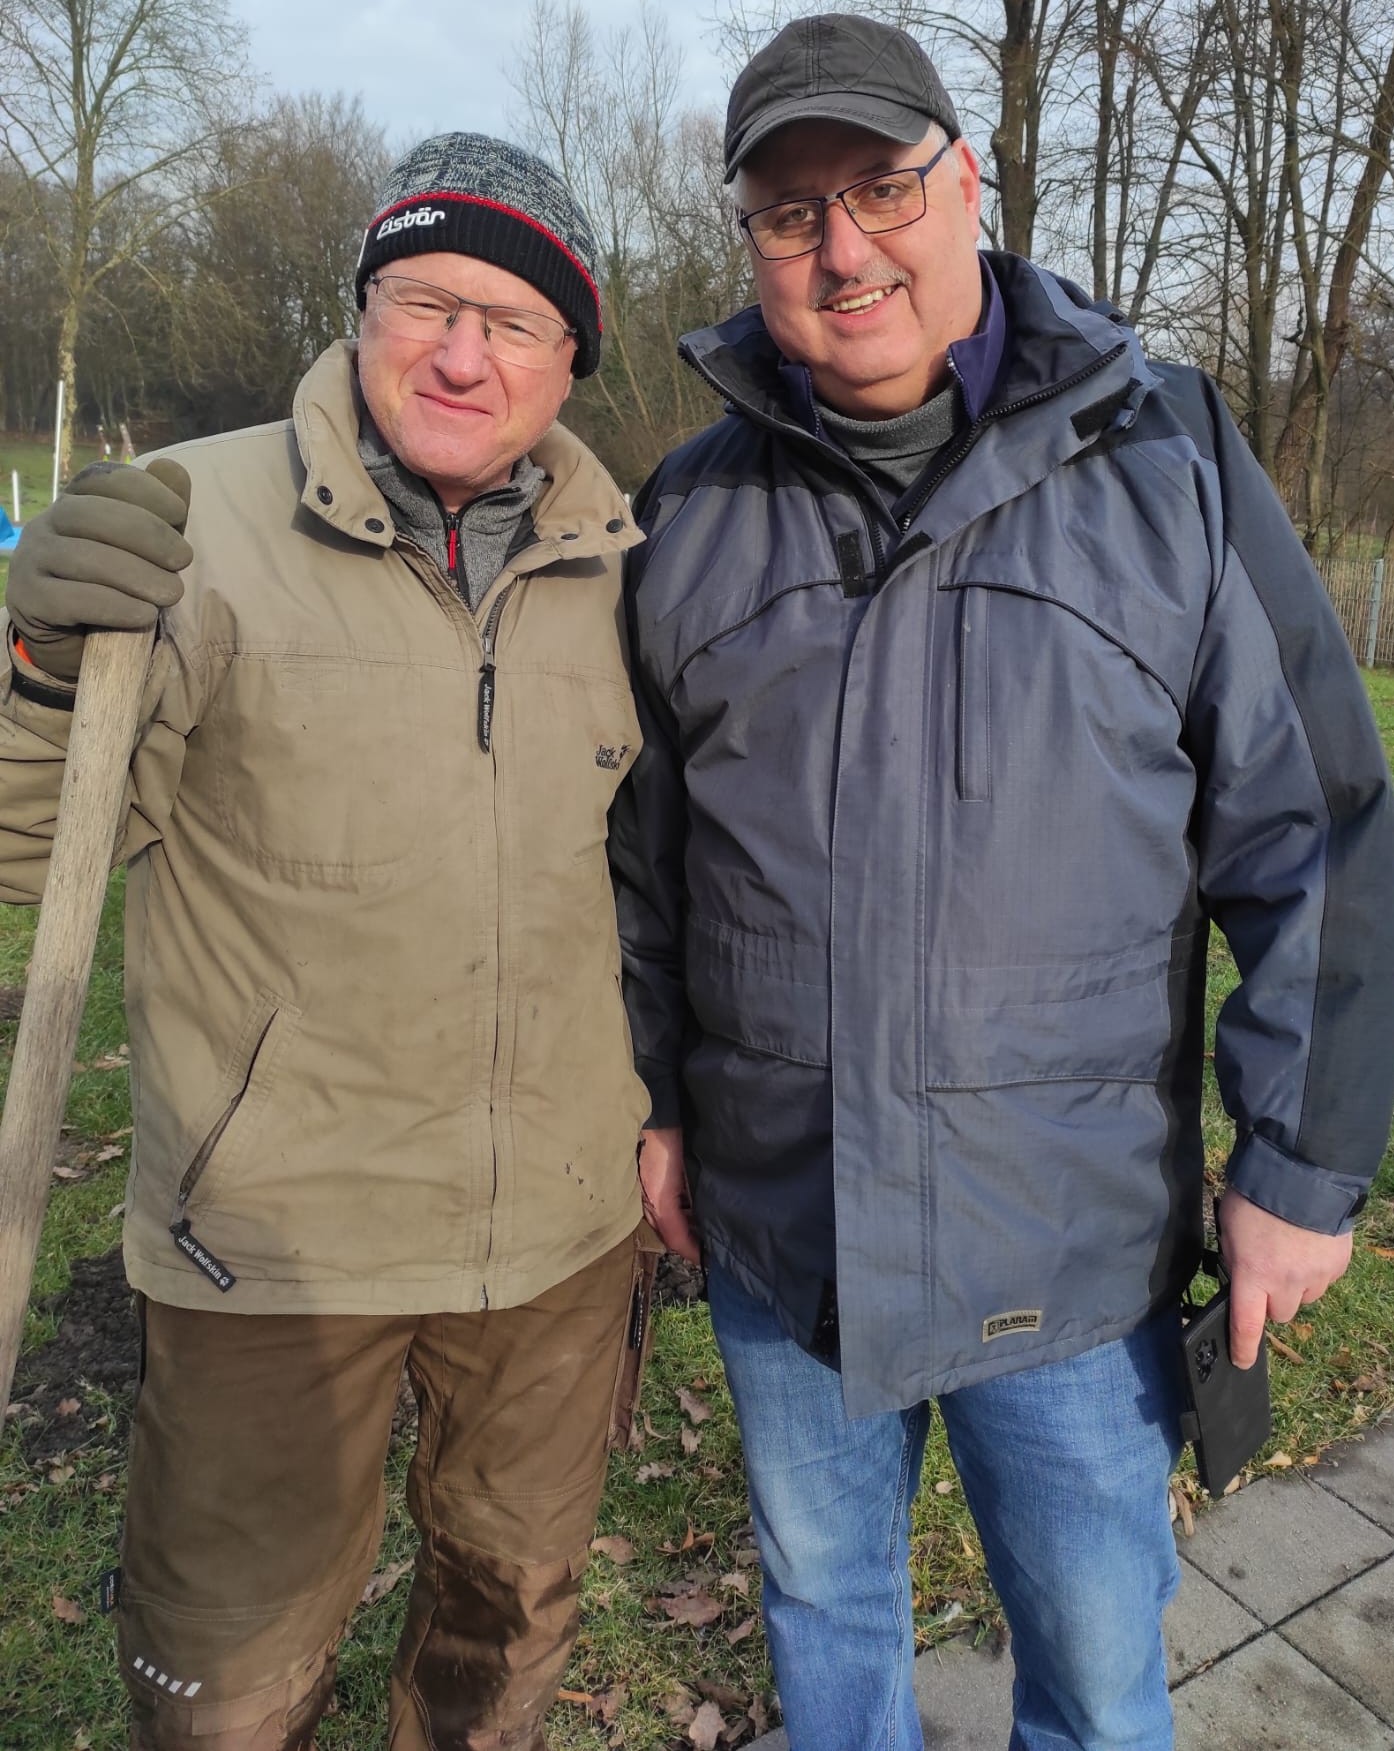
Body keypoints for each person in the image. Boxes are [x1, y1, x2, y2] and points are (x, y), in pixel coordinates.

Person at [611, 15, 1394, 1751]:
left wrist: (1297, 1164)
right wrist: (656, 1097)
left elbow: (1316, 831)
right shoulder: (688, 510)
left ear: (966, 183)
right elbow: (646, 862)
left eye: (882, 189)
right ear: (749, 243)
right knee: (827, 1632)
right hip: (783, 1231)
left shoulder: (1166, 457)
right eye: (788, 213)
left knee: (1097, 1685)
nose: (842, 250)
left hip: (1066, 1248)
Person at [1, 133, 656, 1751]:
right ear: (358, 311)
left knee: (506, 1618)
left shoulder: (627, 565)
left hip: (556, 1239)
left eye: (511, 322)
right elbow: (24, 850)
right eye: (422, 301)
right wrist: (37, 667)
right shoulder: (193, 527)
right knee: (229, 1670)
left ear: (569, 359)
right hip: (273, 1245)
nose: (460, 355)